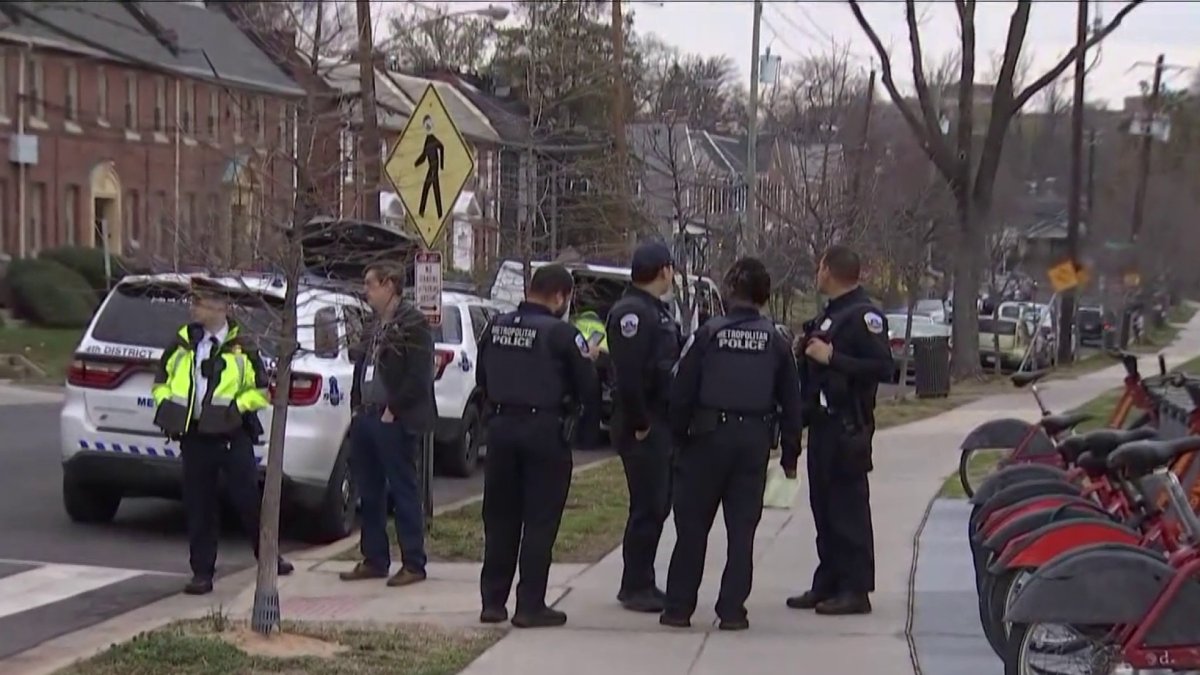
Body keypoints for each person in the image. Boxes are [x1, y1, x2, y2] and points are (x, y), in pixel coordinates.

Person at [660, 257, 803, 631]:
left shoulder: (707, 334)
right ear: (765, 296)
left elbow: (681, 391)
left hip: (705, 439)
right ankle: (732, 610)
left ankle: (678, 608)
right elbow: (792, 403)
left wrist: (676, 439)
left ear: (728, 291)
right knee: (742, 532)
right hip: (753, 441)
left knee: (692, 528)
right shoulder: (776, 340)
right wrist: (790, 455)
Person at [150, 281, 293, 595]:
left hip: (231, 434)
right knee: (199, 505)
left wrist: (236, 408)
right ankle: (202, 572)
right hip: (195, 436)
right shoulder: (184, 341)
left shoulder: (242, 345)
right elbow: (161, 380)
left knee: (247, 500)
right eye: (194, 302)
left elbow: (261, 390)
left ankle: (268, 556)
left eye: (200, 303)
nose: (194, 308)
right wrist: (166, 405)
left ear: (221, 307)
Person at [476, 264, 600, 628]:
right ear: (560, 296)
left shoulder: (496, 326)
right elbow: (588, 390)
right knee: (540, 520)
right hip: (543, 432)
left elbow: (482, 376)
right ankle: (530, 605)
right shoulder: (562, 334)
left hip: (499, 430)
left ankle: (493, 602)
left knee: (499, 519)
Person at [787, 245, 894, 615]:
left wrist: (833, 358)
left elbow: (883, 367)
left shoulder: (864, 316)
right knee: (824, 508)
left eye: (820, 268)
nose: (817, 274)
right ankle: (828, 581)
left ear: (829, 270)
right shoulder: (831, 315)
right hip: (822, 424)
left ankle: (855, 588)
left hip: (848, 425)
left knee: (848, 509)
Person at [340, 262, 436, 587]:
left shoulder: (413, 323)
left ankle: (413, 562)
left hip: (394, 417)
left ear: (390, 285)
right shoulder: (372, 324)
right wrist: (356, 406)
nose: (366, 291)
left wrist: (394, 408)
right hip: (367, 415)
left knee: (403, 488)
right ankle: (374, 557)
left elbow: (419, 375)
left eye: (371, 284)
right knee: (369, 490)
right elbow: (361, 365)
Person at [605, 241, 683, 613]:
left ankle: (642, 579)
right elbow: (630, 376)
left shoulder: (655, 311)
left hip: (659, 419)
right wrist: (640, 423)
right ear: (663, 270)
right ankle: (636, 584)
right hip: (644, 422)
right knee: (648, 505)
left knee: (656, 503)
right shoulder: (632, 313)